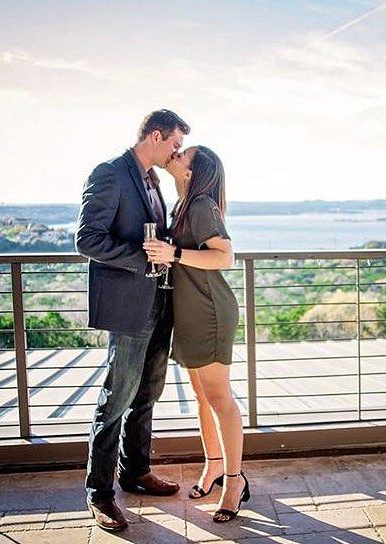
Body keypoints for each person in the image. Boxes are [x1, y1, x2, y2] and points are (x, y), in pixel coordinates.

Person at [75, 109, 189, 532]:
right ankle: (100, 494)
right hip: (129, 305)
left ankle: (136, 472)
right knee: (116, 397)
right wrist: (143, 259)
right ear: (155, 136)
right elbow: (87, 239)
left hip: (160, 301)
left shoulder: (153, 179)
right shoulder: (109, 173)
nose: (176, 152)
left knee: (147, 393)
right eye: (174, 144)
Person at [143, 145, 249, 523]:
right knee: (202, 397)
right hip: (189, 313)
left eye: (183, 154)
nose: (175, 154)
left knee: (220, 399)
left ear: (193, 170)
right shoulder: (183, 205)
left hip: (209, 312)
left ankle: (234, 481)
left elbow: (225, 256)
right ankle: (213, 465)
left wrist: (173, 254)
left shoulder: (201, 205)